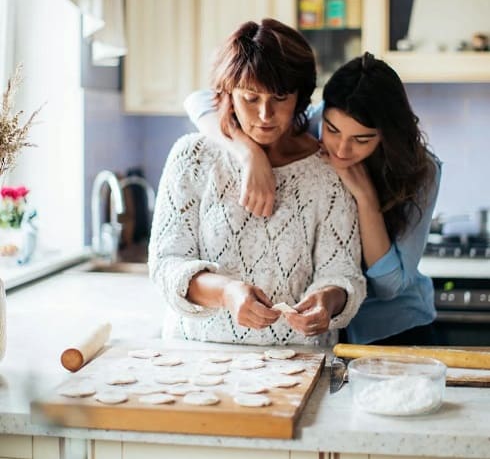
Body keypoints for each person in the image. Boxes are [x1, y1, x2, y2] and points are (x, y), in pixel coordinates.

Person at [184, 52, 441, 345]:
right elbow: (200, 101)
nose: (342, 149)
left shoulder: (422, 170)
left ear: (386, 135)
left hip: (392, 328)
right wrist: (249, 154)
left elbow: (389, 286)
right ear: (323, 112)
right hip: (322, 333)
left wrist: (366, 199)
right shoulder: (306, 124)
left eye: (362, 139)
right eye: (332, 130)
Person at [148, 19, 366, 346]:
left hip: (299, 360)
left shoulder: (328, 171)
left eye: (280, 97)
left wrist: (327, 301)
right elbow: (166, 265)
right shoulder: (192, 157)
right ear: (228, 95)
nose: (266, 115)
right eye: (251, 98)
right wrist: (226, 293)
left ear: (300, 97)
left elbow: (344, 274)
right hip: (197, 359)